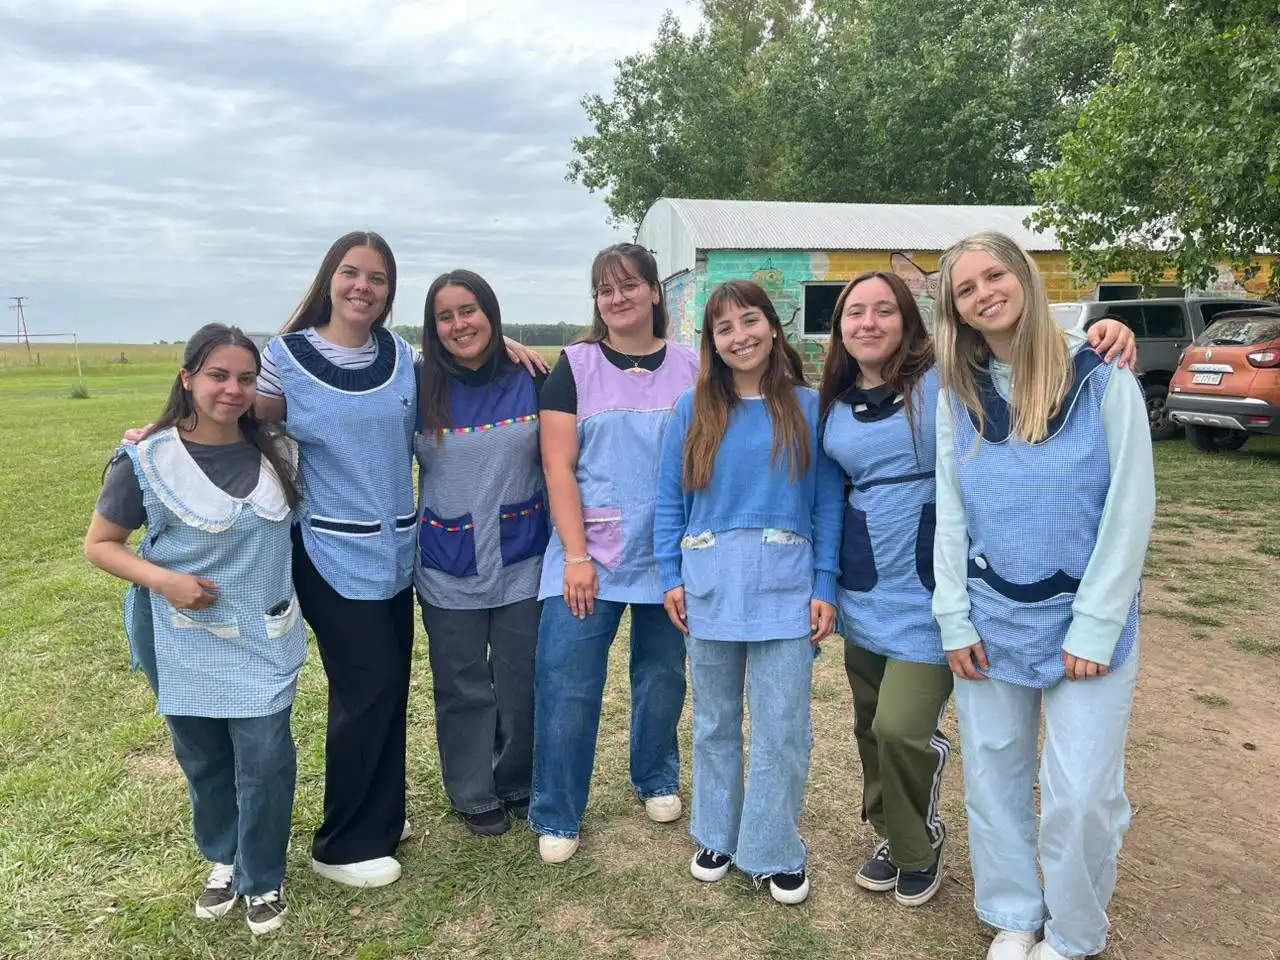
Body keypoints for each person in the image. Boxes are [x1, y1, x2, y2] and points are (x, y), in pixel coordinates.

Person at [817, 272, 1137, 911]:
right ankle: (892, 833)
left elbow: (1016, 354)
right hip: (867, 587)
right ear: (840, 327)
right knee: (870, 729)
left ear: (914, 323)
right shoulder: (830, 399)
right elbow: (827, 494)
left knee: (902, 729)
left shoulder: (948, 381)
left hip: (936, 592)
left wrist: (1102, 331)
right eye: (855, 312)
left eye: (886, 310)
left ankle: (918, 844)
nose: (869, 322)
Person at [931, 231, 1154, 960]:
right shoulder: (957, 394)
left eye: (994, 275)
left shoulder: (1103, 377)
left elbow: (1129, 512)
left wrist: (1093, 628)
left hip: (1087, 624)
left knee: (1084, 795)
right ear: (956, 310)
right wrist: (953, 616)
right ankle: (1013, 912)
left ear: (1023, 276)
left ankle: (1074, 932)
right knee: (994, 777)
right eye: (965, 289)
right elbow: (952, 509)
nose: (983, 292)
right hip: (992, 618)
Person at [85, 324, 304, 936]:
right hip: (181, 635)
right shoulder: (148, 460)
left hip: (263, 634)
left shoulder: (281, 455)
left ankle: (264, 873)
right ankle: (224, 857)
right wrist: (164, 581)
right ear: (188, 379)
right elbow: (101, 546)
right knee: (204, 757)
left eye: (244, 378)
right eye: (217, 375)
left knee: (265, 756)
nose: (232, 390)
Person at [654, 280, 843, 905]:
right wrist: (670, 575)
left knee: (783, 725)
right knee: (713, 721)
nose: (740, 336)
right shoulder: (691, 410)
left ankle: (772, 847)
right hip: (708, 586)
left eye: (750, 320)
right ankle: (717, 833)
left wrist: (824, 583)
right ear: (711, 342)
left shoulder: (810, 408)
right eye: (724, 328)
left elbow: (826, 504)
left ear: (773, 325)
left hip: (786, 589)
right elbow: (669, 502)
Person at [530, 242, 699, 863]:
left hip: (669, 553)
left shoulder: (692, 366)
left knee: (661, 678)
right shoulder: (571, 367)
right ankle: (557, 810)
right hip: (587, 556)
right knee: (568, 683)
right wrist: (576, 555)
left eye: (629, 285)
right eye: (606, 289)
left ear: (656, 292)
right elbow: (558, 465)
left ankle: (655, 775)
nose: (618, 297)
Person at [414, 270, 547, 837]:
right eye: (445, 316)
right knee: (462, 681)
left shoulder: (534, 376)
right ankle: (472, 790)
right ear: (432, 327)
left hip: (523, 558)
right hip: (449, 562)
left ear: (491, 314)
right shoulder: (416, 386)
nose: (459, 324)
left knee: (522, 679)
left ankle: (517, 778)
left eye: (469, 310)